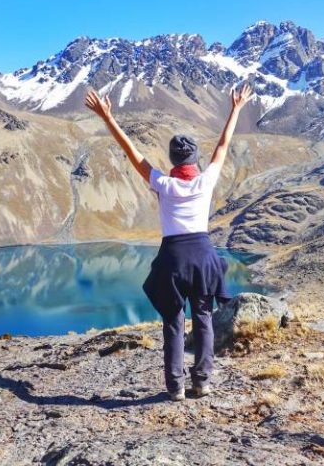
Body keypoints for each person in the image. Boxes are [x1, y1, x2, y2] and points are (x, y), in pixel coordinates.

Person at [84, 82, 254, 401]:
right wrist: (236, 108)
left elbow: (132, 153)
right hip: (203, 256)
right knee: (204, 319)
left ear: (173, 160)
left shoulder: (162, 183)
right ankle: (201, 382)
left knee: (174, 322)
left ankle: (175, 386)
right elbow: (223, 146)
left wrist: (107, 117)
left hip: (173, 258)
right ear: (194, 159)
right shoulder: (205, 181)